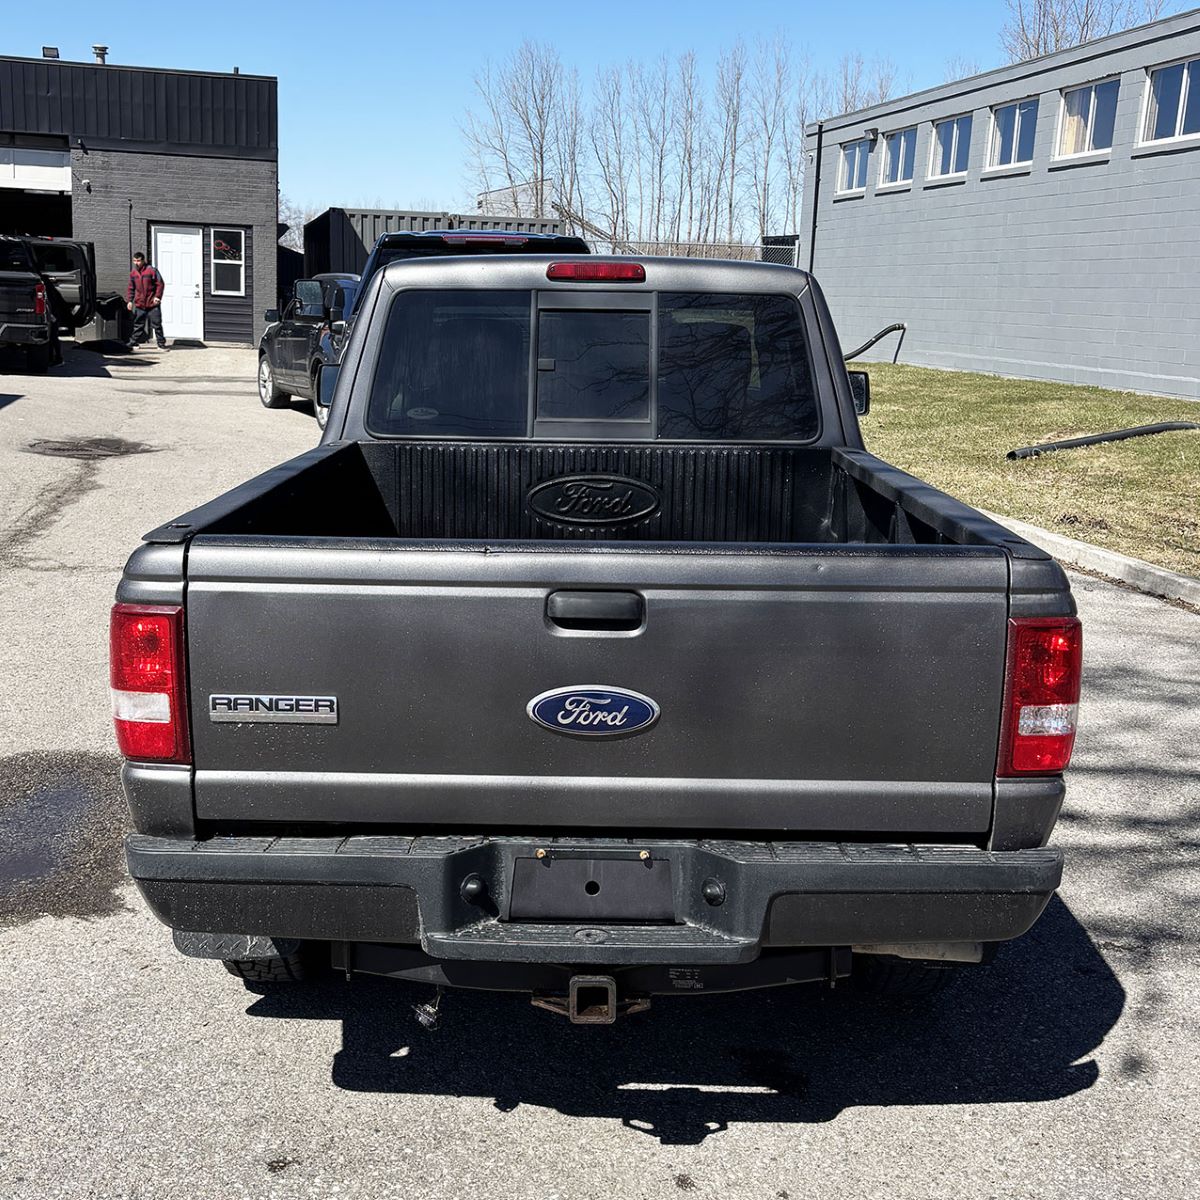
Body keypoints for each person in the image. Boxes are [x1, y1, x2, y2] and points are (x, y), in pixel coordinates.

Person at [125, 252, 168, 350]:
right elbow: (131, 288)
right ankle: (133, 343)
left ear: (143, 260)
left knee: (157, 325)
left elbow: (160, 284)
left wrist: (157, 296)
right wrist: (130, 301)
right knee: (138, 324)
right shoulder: (133, 273)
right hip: (140, 304)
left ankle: (161, 344)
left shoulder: (152, 271)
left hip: (152, 304)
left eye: (139, 261)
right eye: (135, 261)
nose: (137, 263)